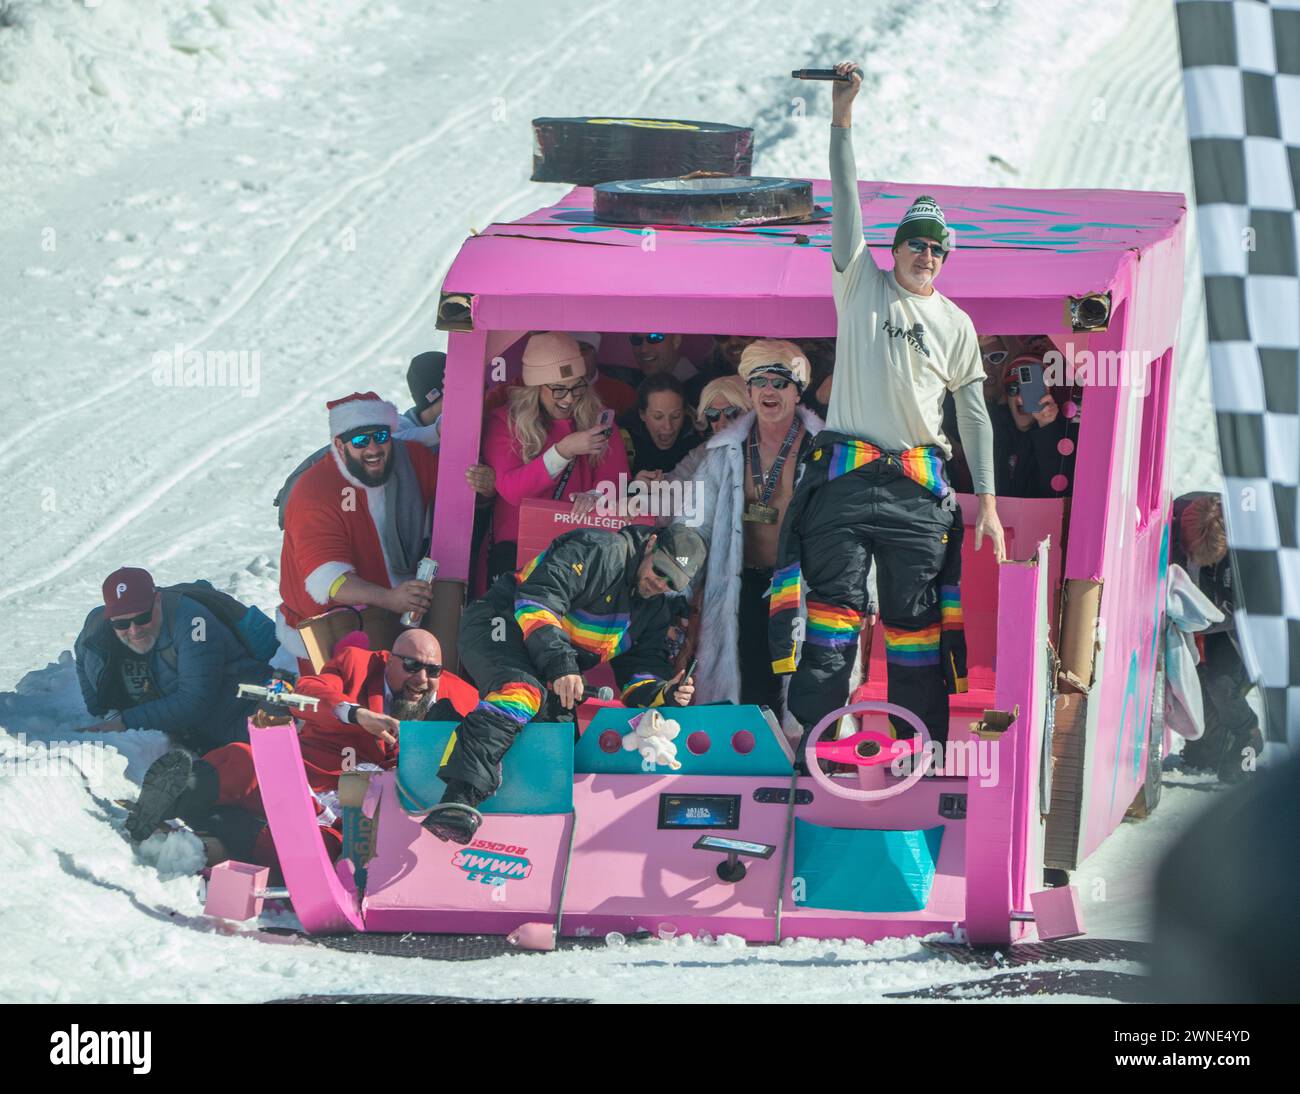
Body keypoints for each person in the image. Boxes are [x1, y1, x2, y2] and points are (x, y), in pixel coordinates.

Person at [770, 60, 1004, 747]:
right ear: (894, 247)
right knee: (835, 615)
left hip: (915, 489)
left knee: (914, 626)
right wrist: (843, 115)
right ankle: (808, 746)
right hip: (844, 478)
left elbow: (975, 414)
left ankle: (919, 751)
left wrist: (985, 501)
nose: (926, 254)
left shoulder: (958, 324)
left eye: (937, 248)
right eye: (915, 243)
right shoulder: (861, 285)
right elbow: (844, 194)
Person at [420, 524, 707, 844]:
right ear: (651, 545)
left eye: (671, 582)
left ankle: (443, 726)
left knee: (557, 745)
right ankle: (457, 800)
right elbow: (536, 602)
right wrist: (561, 665)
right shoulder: (601, 550)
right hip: (500, 621)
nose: (659, 583)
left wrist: (664, 692)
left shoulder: (654, 609)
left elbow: (640, 674)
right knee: (520, 693)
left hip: (549, 660)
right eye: (659, 569)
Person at [123, 630, 475, 868]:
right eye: (412, 666)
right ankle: (167, 797)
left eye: (433, 670)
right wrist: (355, 714)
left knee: (317, 851)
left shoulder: (453, 694)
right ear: (391, 660)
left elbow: (497, 719)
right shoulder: (357, 664)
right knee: (243, 763)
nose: (422, 679)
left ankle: (213, 824)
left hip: (348, 813)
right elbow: (306, 691)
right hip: (301, 779)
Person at [694, 341, 824, 714]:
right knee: (748, 691)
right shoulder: (723, 452)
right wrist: (676, 590)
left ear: (798, 392)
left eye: (780, 382)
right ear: (748, 391)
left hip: (804, 588)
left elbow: (852, 526)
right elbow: (696, 524)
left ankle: (803, 765)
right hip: (742, 587)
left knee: (803, 691)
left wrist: (867, 591)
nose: (769, 391)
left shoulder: (826, 450)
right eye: (760, 382)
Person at [276, 392, 441, 674]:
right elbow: (330, 581)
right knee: (345, 706)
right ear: (339, 445)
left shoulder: (411, 461)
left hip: (400, 611)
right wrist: (390, 598)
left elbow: (452, 494)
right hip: (331, 624)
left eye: (381, 436)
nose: (373, 448)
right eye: (361, 441)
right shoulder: (315, 492)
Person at [482, 332, 629, 584]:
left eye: (577, 387)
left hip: (576, 559)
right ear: (536, 387)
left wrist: (596, 497)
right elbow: (512, 490)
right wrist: (563, 451)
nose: (570, 398)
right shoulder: (505, 422)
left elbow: (616, 481)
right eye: (559, 390)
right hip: (519, 555)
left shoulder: (599, 419)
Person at [74, 567, 272, 752]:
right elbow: (83, 658)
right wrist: (101, 711)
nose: (134, 630)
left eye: (143, 618)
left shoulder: (194, 622)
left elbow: (194, 701)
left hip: (240, 717)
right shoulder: (95, 631)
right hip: (188, 730)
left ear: (158, 601)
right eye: (122, 623)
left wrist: (123, 721)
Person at [1171, 492, 1263, 783]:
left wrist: (1200, 623)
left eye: (1206, 559)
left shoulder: (1249, 549)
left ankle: (1248, 733)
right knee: (1202, 757)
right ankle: (1207, 751)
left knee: (1220, 684)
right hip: (1194, 618)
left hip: (1229, 625)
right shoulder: (1175, 519)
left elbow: (1245, 609)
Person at [620, 374, 699, 478]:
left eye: (676, 416)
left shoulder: (697, 445)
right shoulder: (623, 443)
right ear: (642, 414)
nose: (668, 427)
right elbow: (604, 490)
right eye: (658, 417)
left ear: (685, 413)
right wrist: (633, 486)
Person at [627, 332, 709, 405]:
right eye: (636, 339)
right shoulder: (632, 385)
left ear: (676, 340)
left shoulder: (704, 393)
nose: (643, 349)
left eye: (655, 337)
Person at [573, 332, 638, 416]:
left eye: (583, 349)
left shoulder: (623, 392)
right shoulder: (559, 392)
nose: (577, 356)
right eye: (572, 349)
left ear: (595, 354)